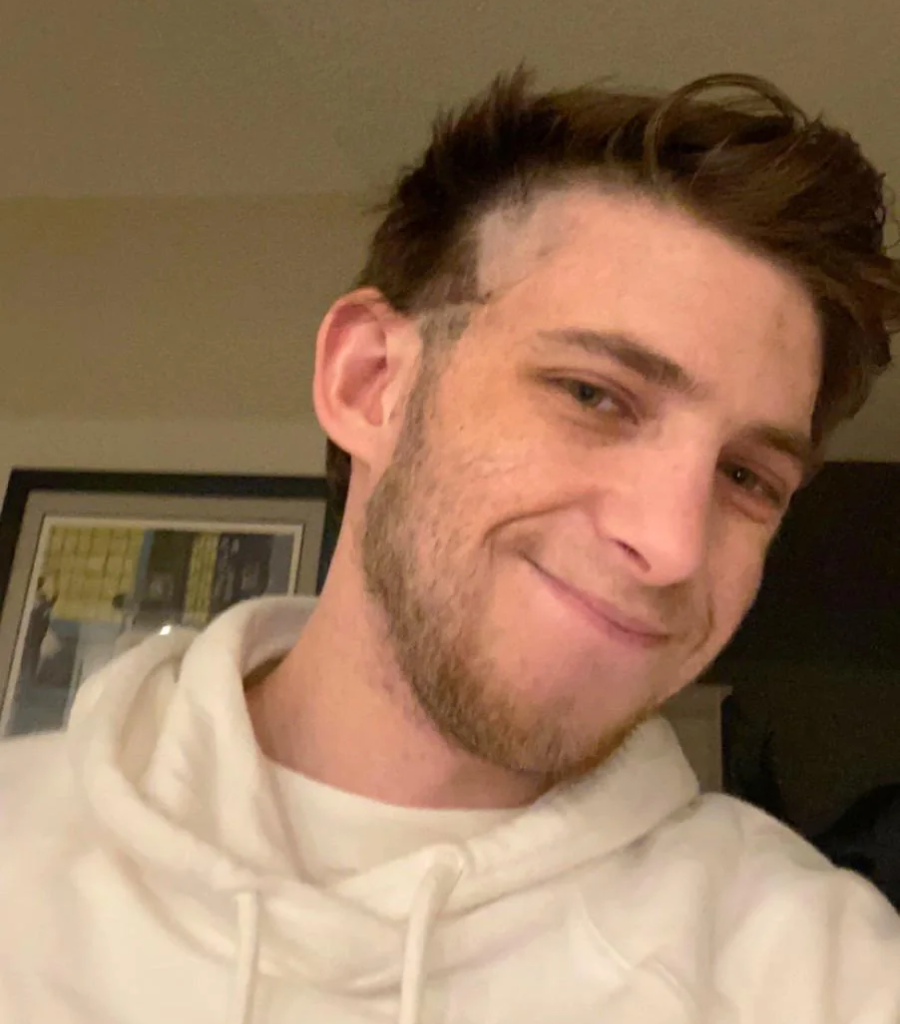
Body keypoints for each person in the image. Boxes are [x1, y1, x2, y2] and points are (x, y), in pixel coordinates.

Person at [2, 69, 900, 1024]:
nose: (672, 544)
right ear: (369, 384)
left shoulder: (824, 972)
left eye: (748, 478)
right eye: (593, 395)